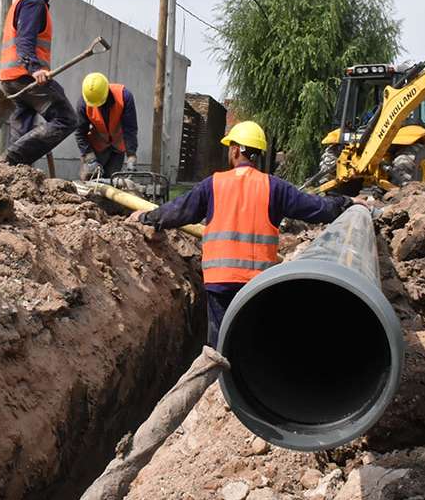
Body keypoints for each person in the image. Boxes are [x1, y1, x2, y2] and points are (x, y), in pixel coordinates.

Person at [129, 121, 364, 347]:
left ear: (234, 151)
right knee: (252, 341)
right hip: (257, 284)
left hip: (220, 283)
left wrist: (146, 218)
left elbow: (178, 211)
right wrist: (347, 203)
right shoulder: (274, 187)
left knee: (221, 345)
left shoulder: (214, 184)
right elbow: (316, 208)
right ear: (258, 155)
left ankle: (218, 384)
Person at [0, 0, 78, 166]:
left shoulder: (23, 1)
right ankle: (8, 161)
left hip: (10, 79)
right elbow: (25, 39)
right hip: (27, 77)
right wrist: (35, 68)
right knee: (66, 119)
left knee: (21, 132)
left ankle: (10, 174)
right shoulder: (34, 3)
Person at [75, 72, 139, 180]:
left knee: (112, 183)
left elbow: (130, 129)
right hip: (96, 147)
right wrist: (89, 157)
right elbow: (80, 133)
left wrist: (131, 155)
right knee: (89, 181)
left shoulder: (124, 97)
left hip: (118, 147)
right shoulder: (84, 103)